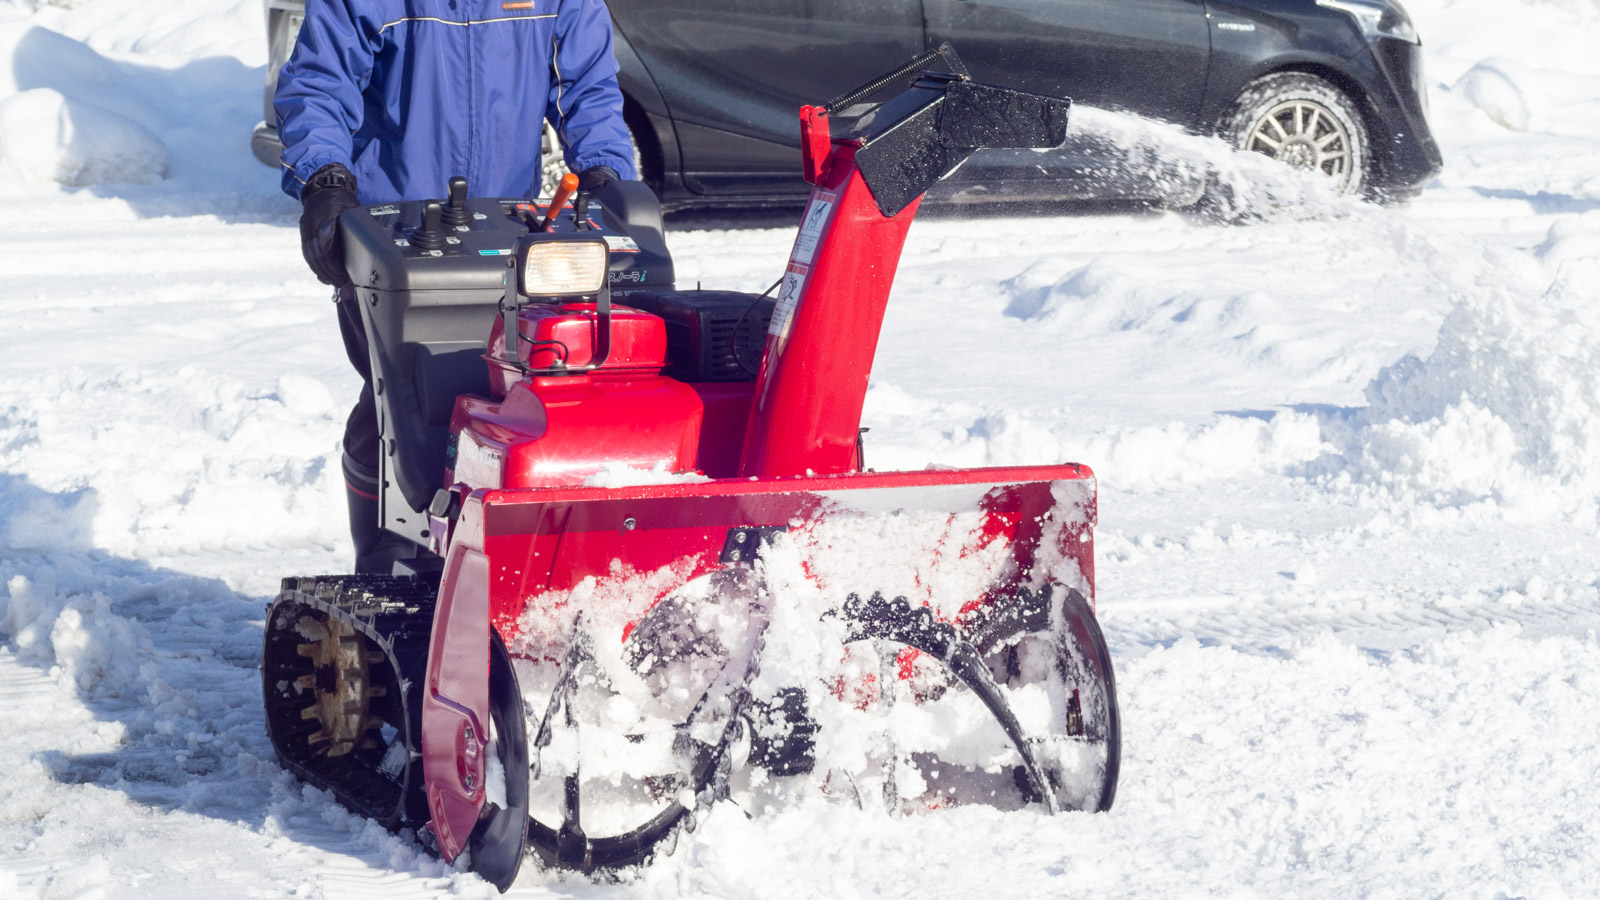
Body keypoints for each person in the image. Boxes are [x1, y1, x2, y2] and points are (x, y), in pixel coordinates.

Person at [275, 0, 637, 573]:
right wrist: (325, 179)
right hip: (388, 241)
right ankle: (388, 564)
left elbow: (588, 88)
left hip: (508, 241)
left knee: (512, 401)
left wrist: (606, 175)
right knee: (404, 403)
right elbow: (319, 84)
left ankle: (493, 566)